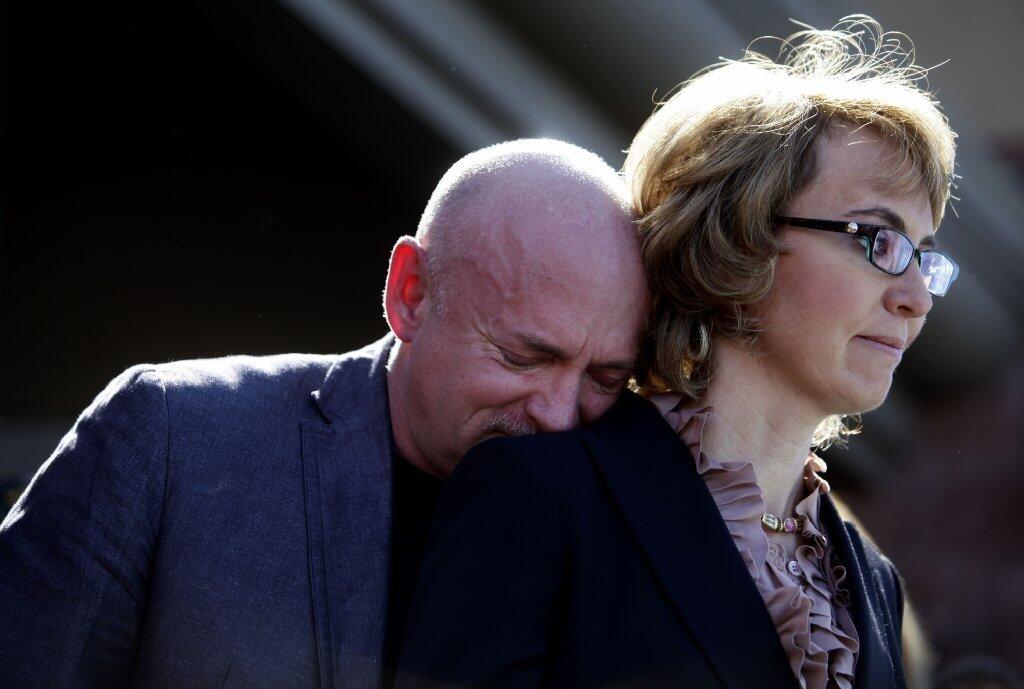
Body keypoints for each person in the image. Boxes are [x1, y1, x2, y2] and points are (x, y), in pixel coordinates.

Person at [396, 17, 956, 689]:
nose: (917, 298)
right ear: (736, 237)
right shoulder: (540, 496)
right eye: (880, 240)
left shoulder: (871, 582)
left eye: (925, 259)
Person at [0, 139, 649, 689]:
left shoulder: (636, 533)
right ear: (411, 295)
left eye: (604, 378)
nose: (561, 418)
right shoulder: (170, 438)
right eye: (522, 356)